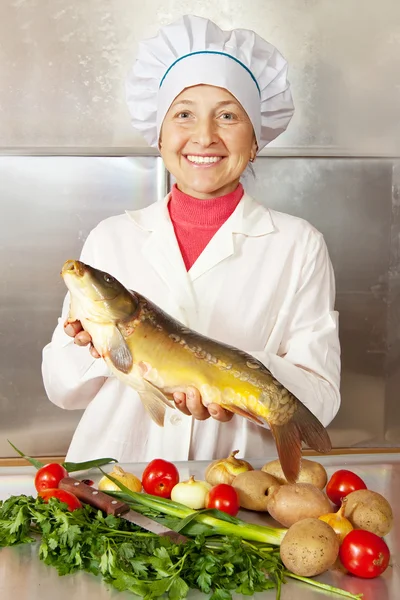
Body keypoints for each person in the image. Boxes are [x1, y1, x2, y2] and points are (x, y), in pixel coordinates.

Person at [41, 14, 341, 463]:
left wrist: (225, 379)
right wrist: (101, 347)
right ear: (159, 135)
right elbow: (60, 388)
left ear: (256, 139)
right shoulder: (112, 239)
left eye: (227, 116)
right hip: (116, 484)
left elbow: (320, 399)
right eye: (183, 114)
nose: (204, 136)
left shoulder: (299, 245)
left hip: (236, 492)